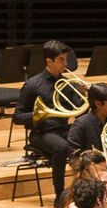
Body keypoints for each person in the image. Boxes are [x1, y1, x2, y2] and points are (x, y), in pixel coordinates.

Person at [15, 40, 78, 197]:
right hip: (41, 133)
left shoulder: (66, 83)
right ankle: (60, 195)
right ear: (49, 61)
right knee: (62, 147)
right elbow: (17, 117)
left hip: (63, 129)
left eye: (66, 59)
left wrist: (90, 95)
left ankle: (84, 192)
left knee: (89, 140)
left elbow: (80, 108)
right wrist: (41, 113)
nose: (66, 64)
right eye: (61, 60)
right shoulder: (32, 85)